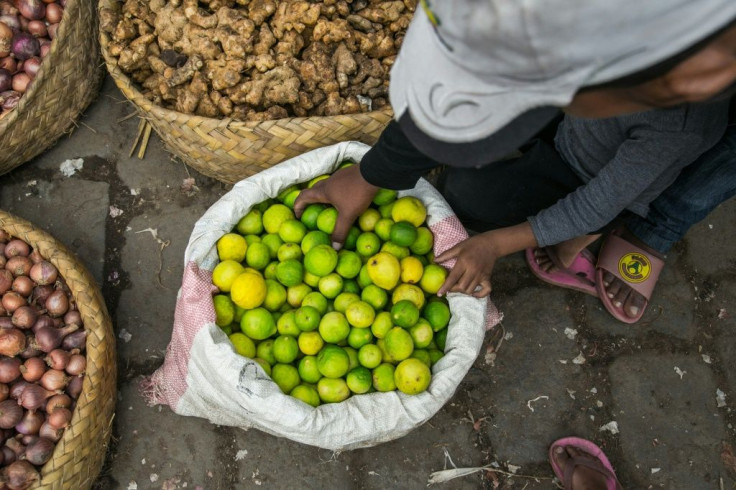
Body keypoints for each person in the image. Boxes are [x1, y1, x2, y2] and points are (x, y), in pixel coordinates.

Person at [293, 0, 736, 324]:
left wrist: (496, 244)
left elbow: (596, 198)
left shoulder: (678, 124)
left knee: (474, 197)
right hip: (583, 128)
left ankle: (607, 234)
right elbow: (465, 78)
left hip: (592, 173)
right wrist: (372, 174)